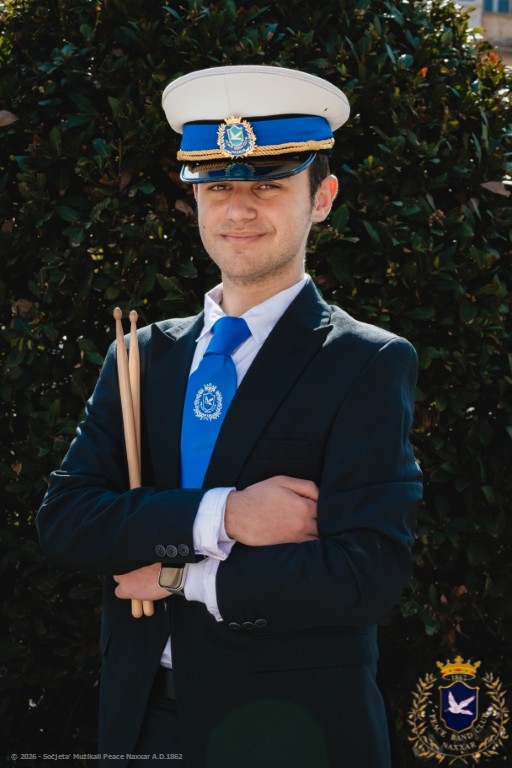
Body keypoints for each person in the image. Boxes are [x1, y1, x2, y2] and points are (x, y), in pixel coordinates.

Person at [37, 65, 423, 768]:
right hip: (143, 726)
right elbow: (66, 521)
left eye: (267, 186)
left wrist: (183, 577)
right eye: (217, 187)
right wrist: (226, 515)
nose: (238, 209)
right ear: (195, 198)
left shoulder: (367, 362)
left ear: (322, 198)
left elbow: (368, 575)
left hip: (292, 733)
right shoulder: (140, 356)